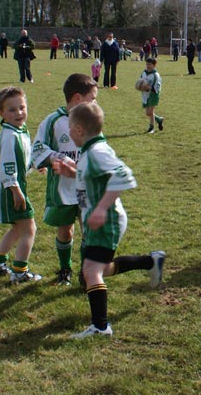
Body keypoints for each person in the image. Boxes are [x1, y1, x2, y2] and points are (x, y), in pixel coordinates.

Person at [68, 102, 166, 339]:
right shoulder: (91, 151)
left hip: (106, 220)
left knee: (91, 271)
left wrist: (101, 208)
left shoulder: (98, 151)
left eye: (70, 127)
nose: (68, 132)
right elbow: (94, 177)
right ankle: (150, 262)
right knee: (98, 270)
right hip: (99, 221)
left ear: (79, 130)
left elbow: (123, 174)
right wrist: (71, 172)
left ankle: (100, 327)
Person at [32, 74, 98, 286]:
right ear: (78, 98)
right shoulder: (53, 121)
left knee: (88, 231)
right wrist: (55, 157)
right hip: (62, 188)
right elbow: (38, 148)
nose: (96, 103)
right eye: (93, 98)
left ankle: (85, 273)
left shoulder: (91, 120)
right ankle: (64, 269)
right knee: (65, 230)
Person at [0, 86, 42, 284]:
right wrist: (16, 190)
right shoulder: (9, 136)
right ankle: (19, 272)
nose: (19, 113)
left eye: (22, 107)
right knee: (29, 228)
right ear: (1, 113)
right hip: (10, 188)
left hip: (12, 186)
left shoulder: (19, 130)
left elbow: (22, 157)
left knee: (18, 228)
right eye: (12, 109)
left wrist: (35, 165)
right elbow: (7, 166)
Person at [138, 57, 164, 134]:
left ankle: (151, 128)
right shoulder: (144, 73)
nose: (148, 66)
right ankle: (159, 120)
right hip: (145, 95)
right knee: (147, 113)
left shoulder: (156, 75)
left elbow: (157, 87)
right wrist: (140, 86)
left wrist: (148, 88)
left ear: (154, 65)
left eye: (150, 64)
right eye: (147, 64)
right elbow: (140, 81)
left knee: (150, 112)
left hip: (153, 94)